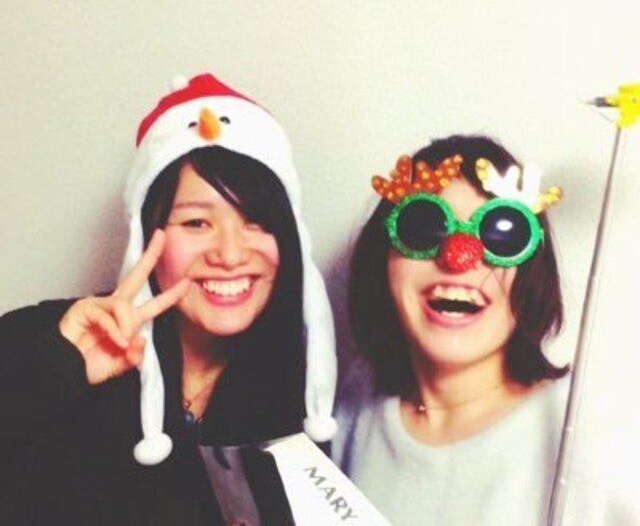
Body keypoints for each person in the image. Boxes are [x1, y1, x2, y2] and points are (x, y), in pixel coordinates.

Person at [0, 72, 337, 526]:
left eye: (257, 221)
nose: (230, 254)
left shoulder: (305, 393)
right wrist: (55, 368)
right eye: (196, 223)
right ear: (147, 234)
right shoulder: (49, 338)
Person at [332, 134, 574, 526]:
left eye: (502, 234)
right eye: (423, 226)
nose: (459, 255)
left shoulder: (592, 438)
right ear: (383, 259)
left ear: (533, 273)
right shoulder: (354, 409)